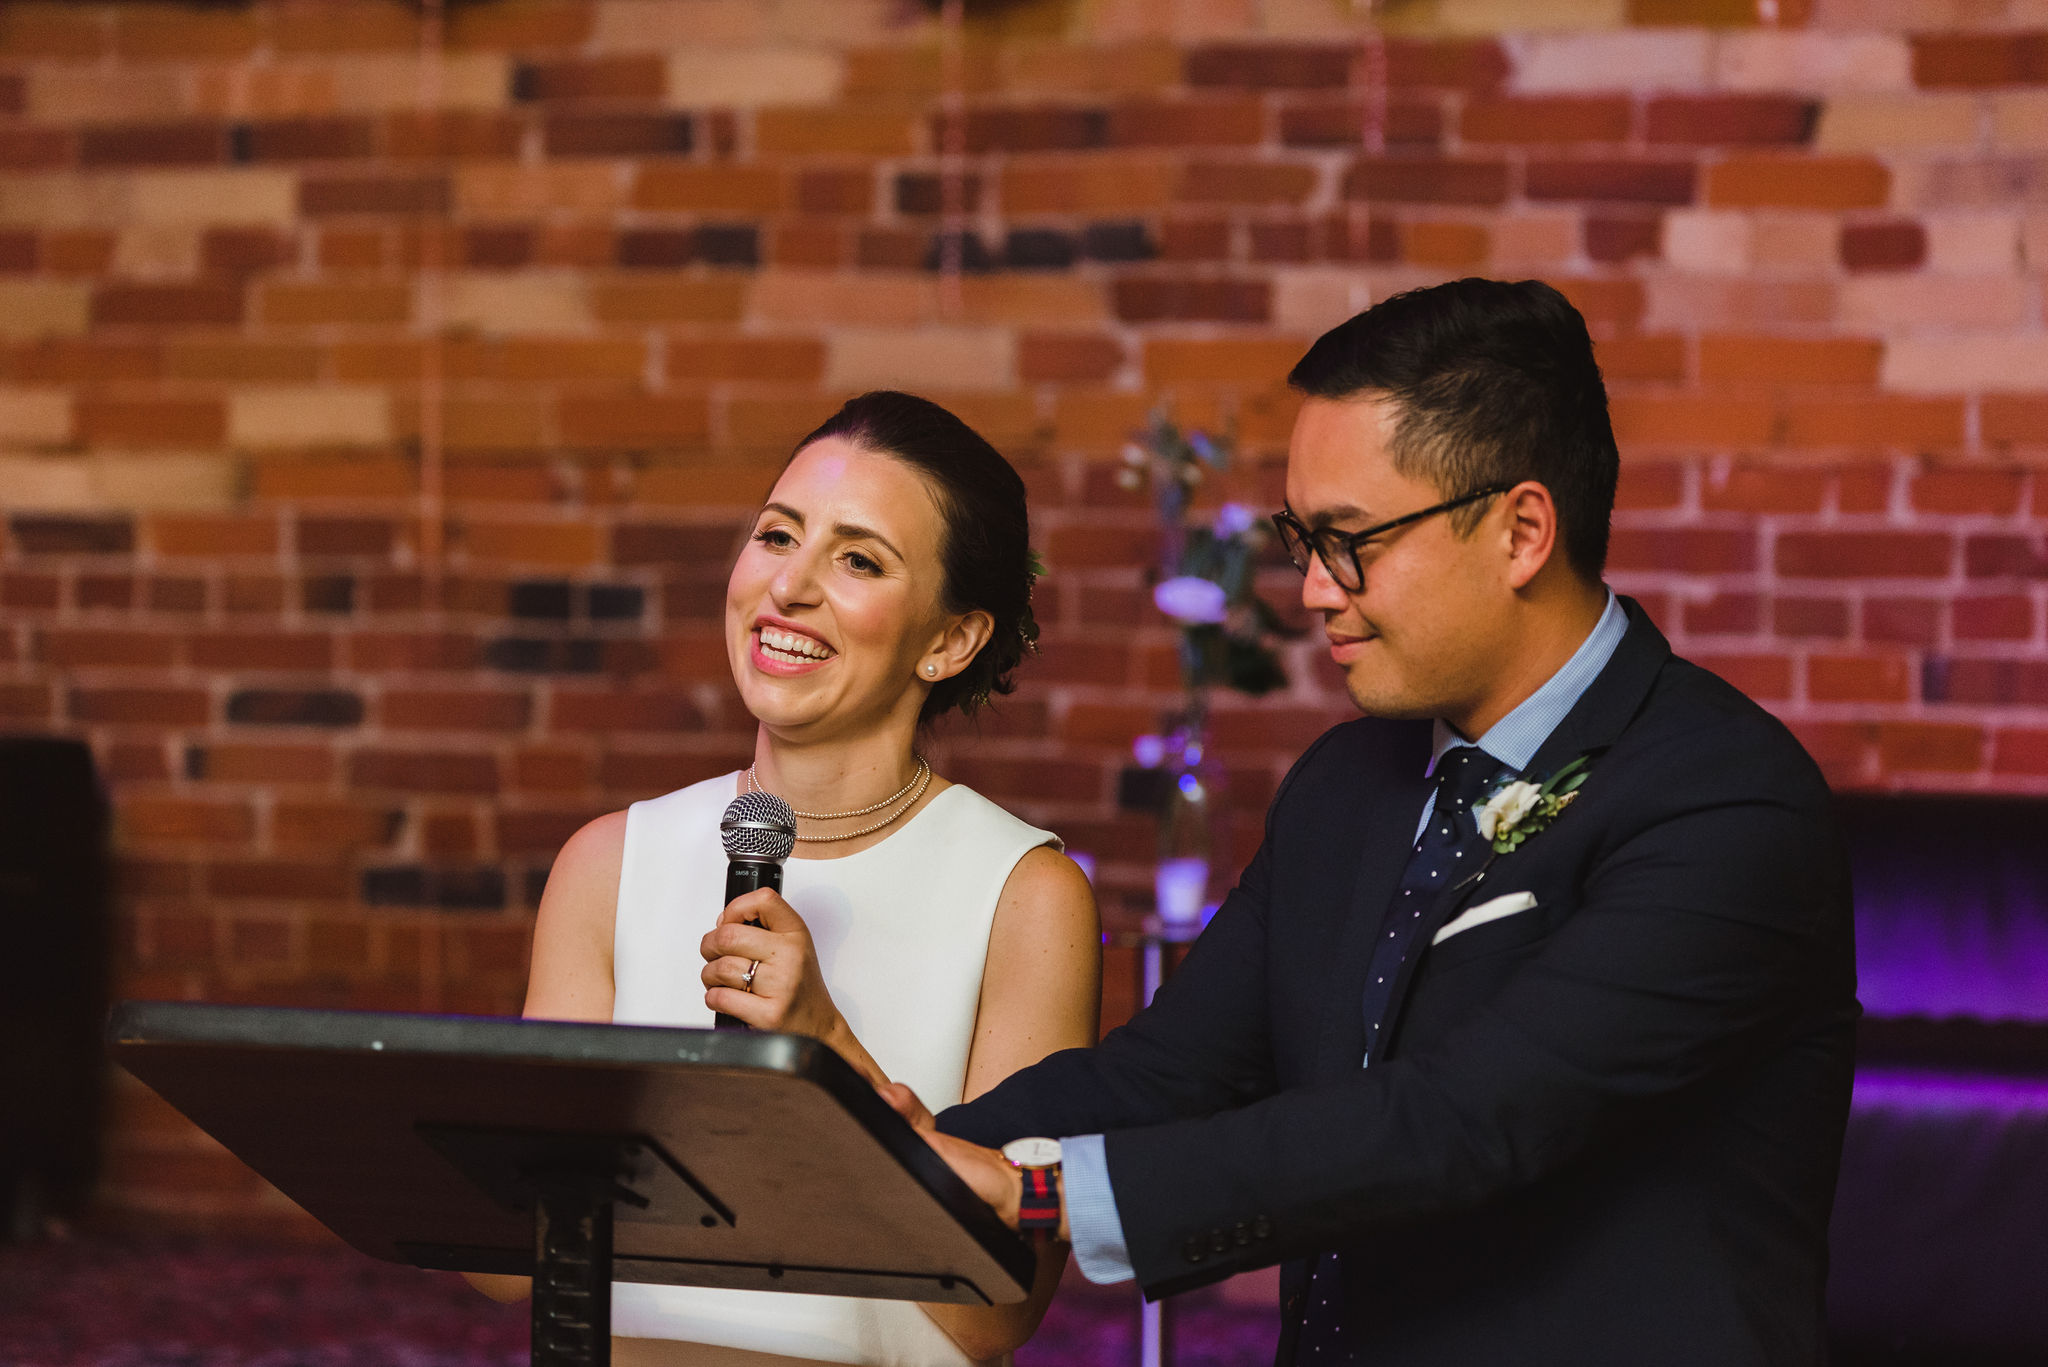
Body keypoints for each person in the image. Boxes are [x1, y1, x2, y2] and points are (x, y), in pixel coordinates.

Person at [889, 279, 1859, 1367]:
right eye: (1300, 536)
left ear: (1520, 529)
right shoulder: (1344, 785)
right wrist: (896, 1150)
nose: (1309, 587)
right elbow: (1163, 1073)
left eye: (1349, 539)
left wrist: (1039, 1193)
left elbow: (1464, 1119)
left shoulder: (1728, 800)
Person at [484, 390, 1100, 1367]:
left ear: (950, 639)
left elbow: (996, 1312)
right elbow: (511, 1258)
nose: (788, 586)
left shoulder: (1023, 892)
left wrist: (821, 1043)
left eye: (857, 559)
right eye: (777, 535)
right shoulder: (609, 860)